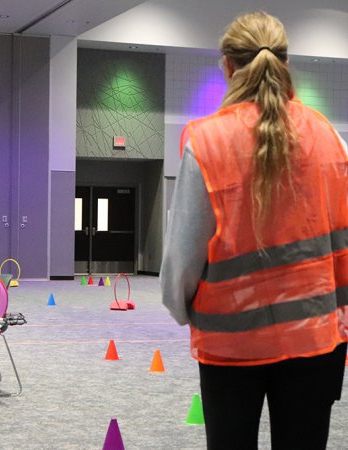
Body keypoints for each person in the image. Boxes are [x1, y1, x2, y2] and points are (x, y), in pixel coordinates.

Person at [160, 11, 348, 450]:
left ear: (227, 66)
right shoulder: (327, 136)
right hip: (314, 339)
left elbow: (183, 254)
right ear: (285, 63)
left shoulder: (206, 140)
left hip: (230, 341)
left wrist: (181, 307)